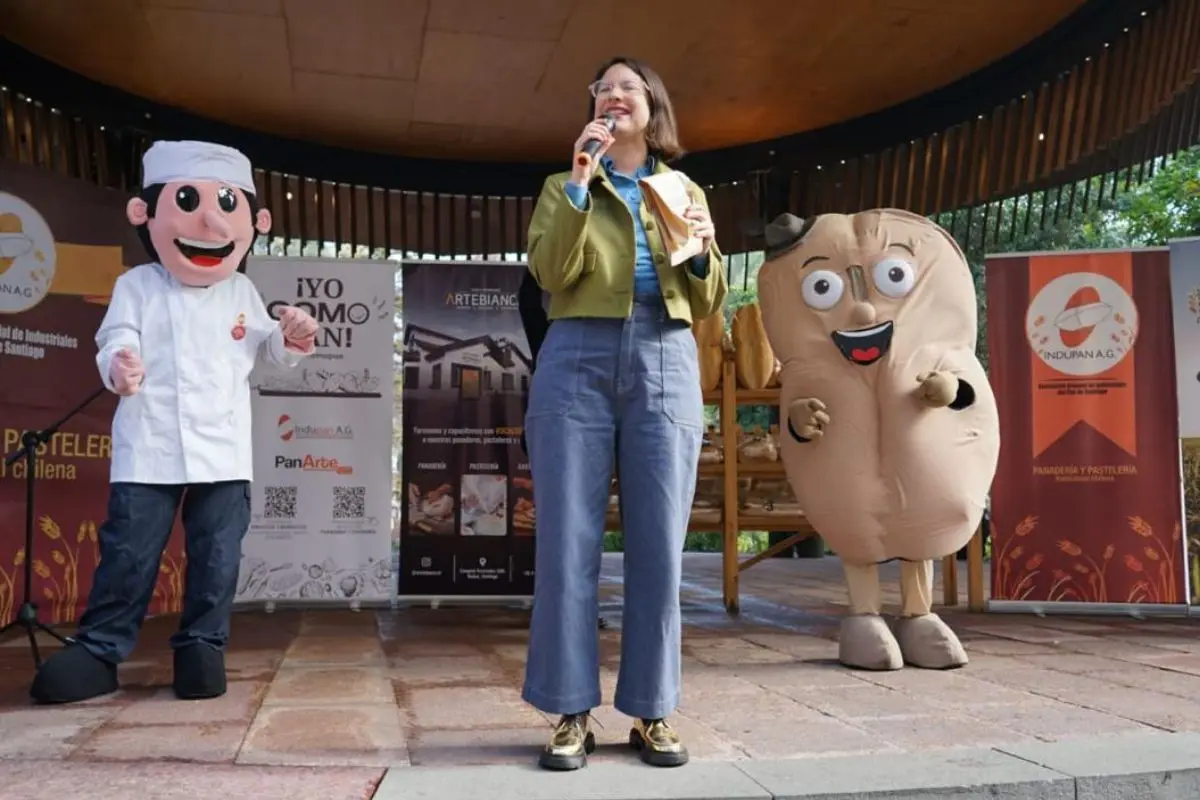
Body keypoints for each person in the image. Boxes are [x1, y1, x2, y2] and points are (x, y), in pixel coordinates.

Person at [29, 140, 319, 705]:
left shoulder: (242, 290)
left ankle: (202, 646)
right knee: (130, 553)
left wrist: (295, 336)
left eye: (226, 204)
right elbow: (115, 338)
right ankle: (100, 649)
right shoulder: (136, 286)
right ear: (147, 213)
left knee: (217, 556)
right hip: (150, 444)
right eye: (188, 201)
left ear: (253, 222)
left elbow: (273, 350)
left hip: (224, 449)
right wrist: (119, 365)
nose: (210, 221)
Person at [521, 56, 727, 771]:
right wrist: (581, 181)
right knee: (566, 545)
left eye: (627, 87)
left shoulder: (682, 187)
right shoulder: (563, 183)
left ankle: (651, 711)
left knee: (659, 546)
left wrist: (700, 249)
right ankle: (569, 709)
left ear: (651, 106)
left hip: (665, 354)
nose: (614, 95)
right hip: (575, 350)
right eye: (603, 88)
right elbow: (550, 273)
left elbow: (706, 299)